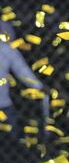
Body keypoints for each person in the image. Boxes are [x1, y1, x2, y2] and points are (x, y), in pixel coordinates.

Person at [0, 21, 44, 155]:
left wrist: (39, 87)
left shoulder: (5, 49)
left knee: (10, 141)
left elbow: (22, 71)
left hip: (3, 104)